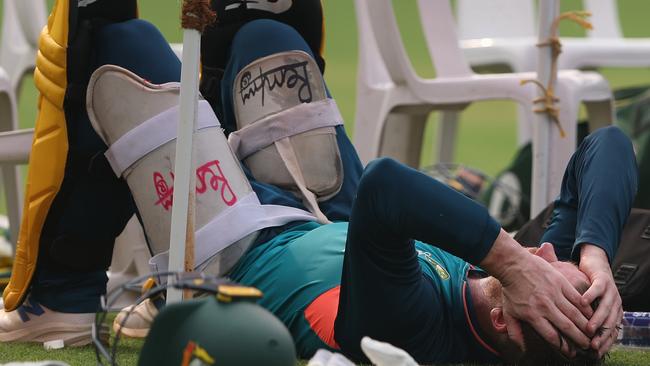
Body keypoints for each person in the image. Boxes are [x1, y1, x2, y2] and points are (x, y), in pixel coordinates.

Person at [0, 9, 636, 366]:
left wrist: (507, 256)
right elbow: (607, 149)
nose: (545, 256)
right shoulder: (515, 301)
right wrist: (595, 254)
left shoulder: (413, 329)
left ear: (506, 316)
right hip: (329, 215)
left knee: (114, 45)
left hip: (235, 252)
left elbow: (390, 188)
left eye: (553, 278)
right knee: (268, 30)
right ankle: (219, 114)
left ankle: (58, 295)